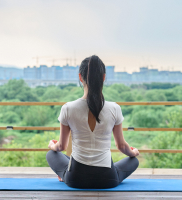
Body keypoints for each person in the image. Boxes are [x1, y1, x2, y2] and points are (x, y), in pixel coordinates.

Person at [46, 55, 139, 189]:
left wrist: (51, 145)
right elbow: (122, 147)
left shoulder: (68, 108)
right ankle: (68, 172)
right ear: (103, 77)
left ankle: (64, 174)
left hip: (76, 179)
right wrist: (134, 152)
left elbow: (61, 147)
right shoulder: (114, 108)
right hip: (107, 179)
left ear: (80, 77)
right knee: (133, 161)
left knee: (51, 154)